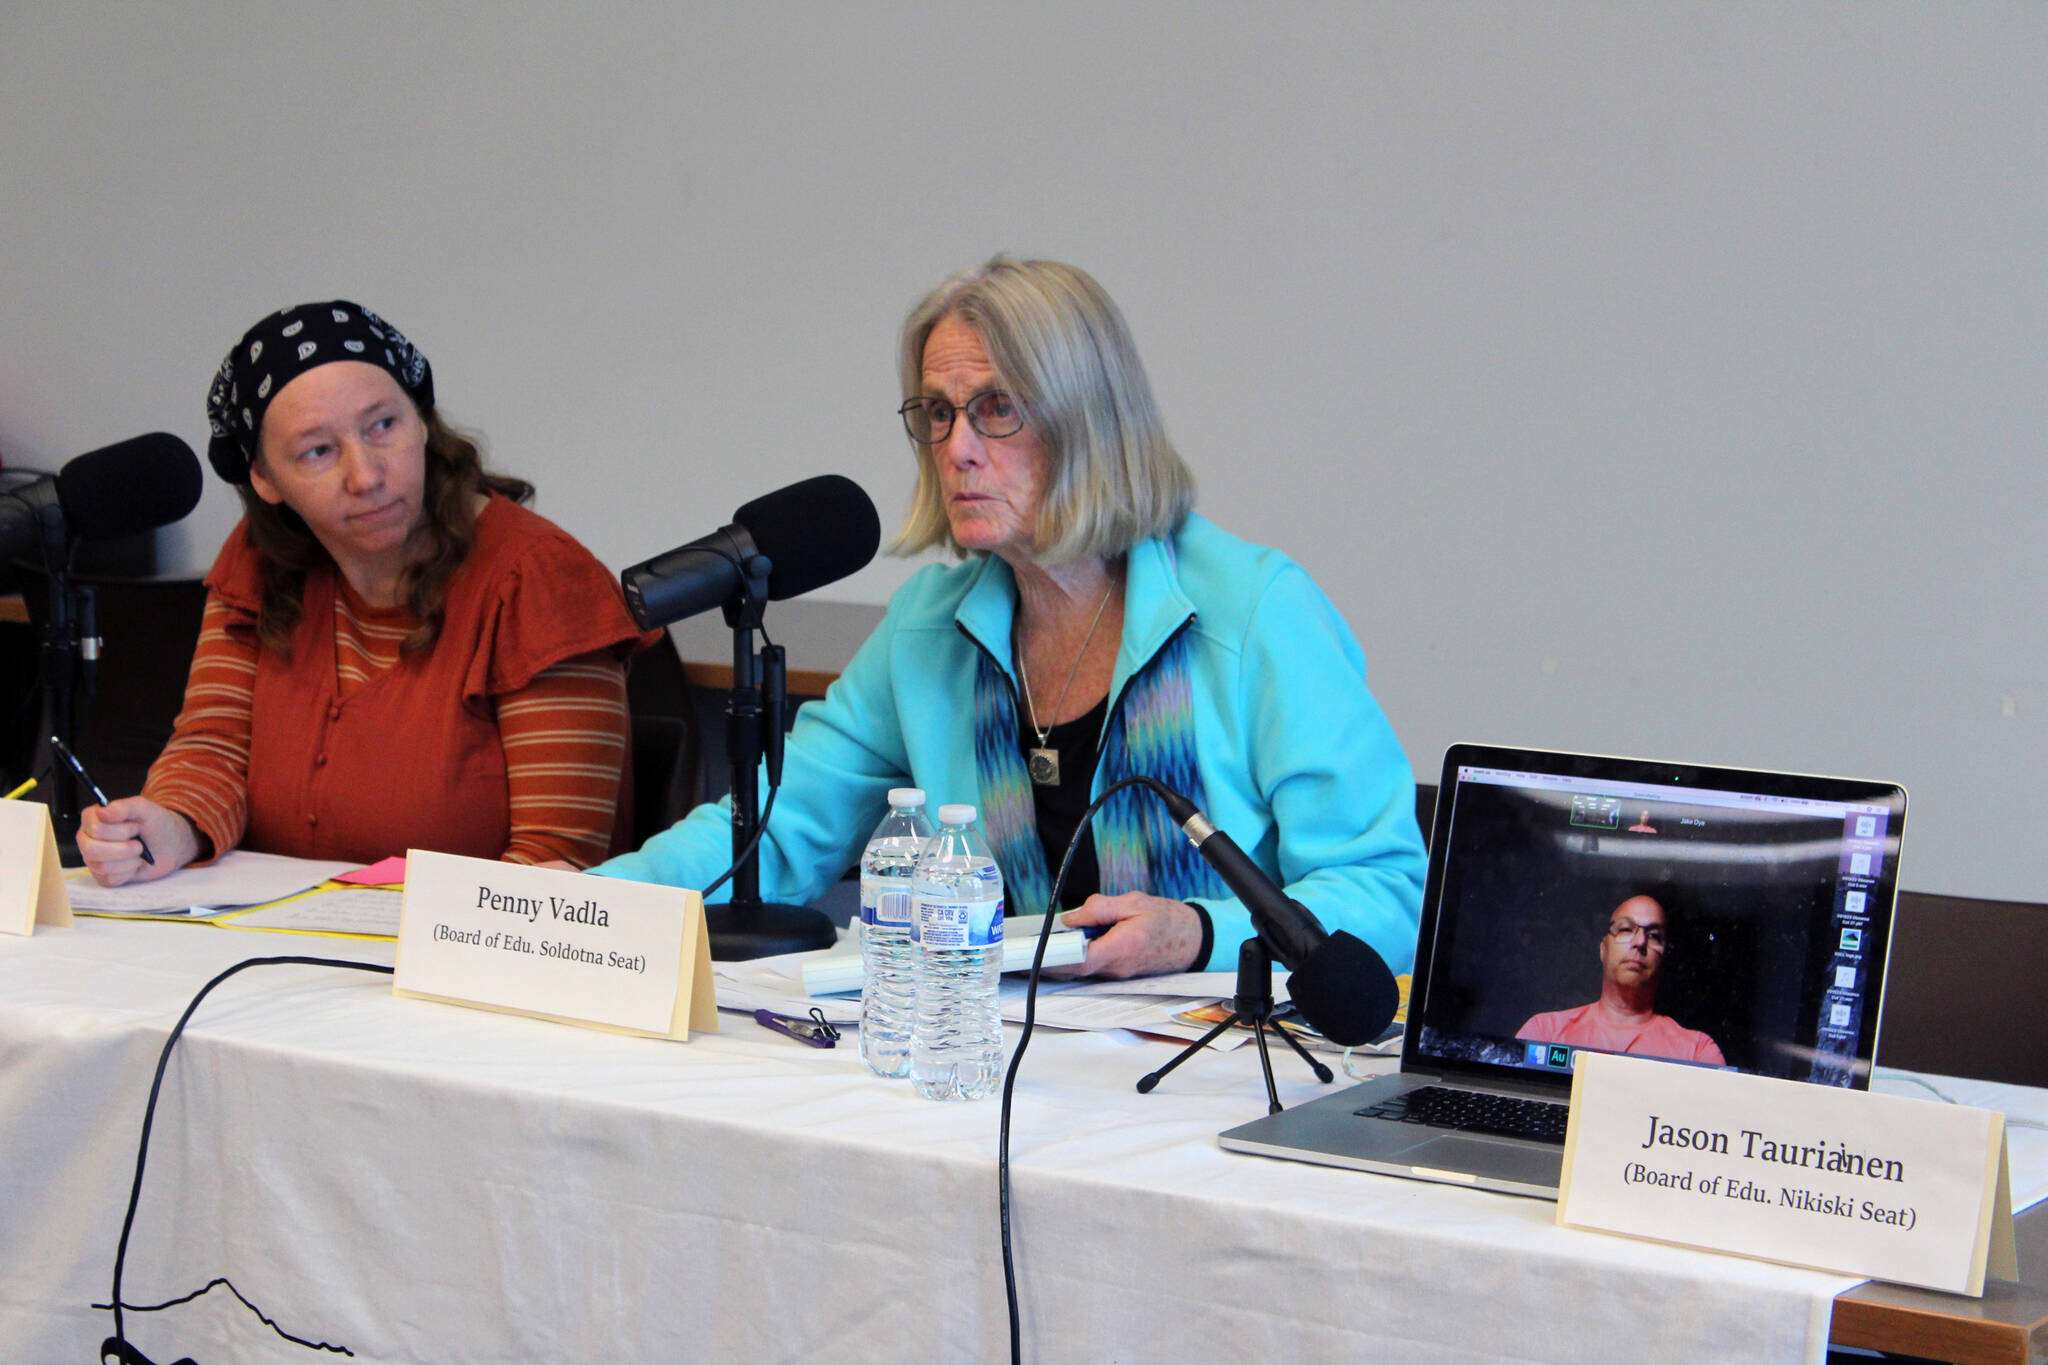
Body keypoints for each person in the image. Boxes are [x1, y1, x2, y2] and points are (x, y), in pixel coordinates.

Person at [595, 256, 1426, 979]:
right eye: (938, 412)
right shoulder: (930, 629)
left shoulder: (1256, 614)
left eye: (997, 408)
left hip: (1229, 1070)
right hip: (1015, 1069)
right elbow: (767, 835)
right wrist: (571, 914)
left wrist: (1204, 931)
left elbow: (1389, 893)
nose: (956, 448)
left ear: (1089, 423)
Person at [78, 300, 650, 885]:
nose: (367, 476)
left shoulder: (538, 580)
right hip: (281, 937)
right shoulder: (259, 558)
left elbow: (558, 859)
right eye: (318, 451)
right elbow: (214, 747)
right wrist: (172, 824)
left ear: (423, 421)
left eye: (383, 426)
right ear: (265, 479)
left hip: (471, 956)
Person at [1517, 894, 1725, 1063]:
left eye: (1653, 935)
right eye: (1626, 929)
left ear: (1664, 956)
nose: (1640, 942)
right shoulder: (1544, 1033)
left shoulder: (1696, 1051)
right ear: (1603, 949)